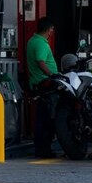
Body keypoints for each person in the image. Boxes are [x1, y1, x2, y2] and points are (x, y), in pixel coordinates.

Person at [26, 17, 58, 158]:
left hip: (38, 83)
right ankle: (43, 150)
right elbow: (40, 61)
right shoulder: (40, 43)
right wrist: (51, 74)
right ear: (47, 29)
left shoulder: (33, 41)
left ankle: (43, 148)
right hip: (45, 84)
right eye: (51, 29)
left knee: (42, 117)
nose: (52, 31)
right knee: (46, 118)